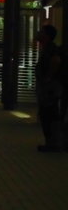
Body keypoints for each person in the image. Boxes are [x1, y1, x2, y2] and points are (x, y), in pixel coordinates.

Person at [34, 24, 62, 152]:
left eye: (41, 32)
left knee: (49, 114)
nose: (38, 34)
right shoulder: (47, 48)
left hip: (49, 88)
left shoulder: (51, 48)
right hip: (47, 87)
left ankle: (53, 143)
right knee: (47, 114)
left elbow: (56, 61)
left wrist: (48, 78)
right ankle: (51, 142)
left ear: (46, 35)